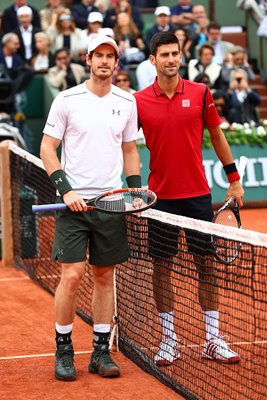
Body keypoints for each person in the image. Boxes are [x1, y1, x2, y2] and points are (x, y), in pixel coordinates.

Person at [134, 32, 244, 366]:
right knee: (162, 267)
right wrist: (133, 186)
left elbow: (217, 135)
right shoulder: (138, 100)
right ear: (152, 60)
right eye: (164, 54)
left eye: (175, 54)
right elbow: (124, 145)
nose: (171, 59)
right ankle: (169, 340)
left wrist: (234, 180)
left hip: (197, 196)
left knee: (206, 265)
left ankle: (213, 338)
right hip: (159, 200)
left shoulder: (200, 93)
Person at [40, 34, 141, 381]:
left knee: (104, 275)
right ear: (88, 59)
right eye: (98, 55)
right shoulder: (67, 100)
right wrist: (66, 191)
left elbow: (129, 149)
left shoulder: (127, 102)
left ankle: (100, 351)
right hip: (75, 205)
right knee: (71, 275)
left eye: (109, 56)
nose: (103, 61)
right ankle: (64, 349)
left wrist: (133, 191)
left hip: (111, 203)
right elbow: (48, 149)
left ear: (116, 63)